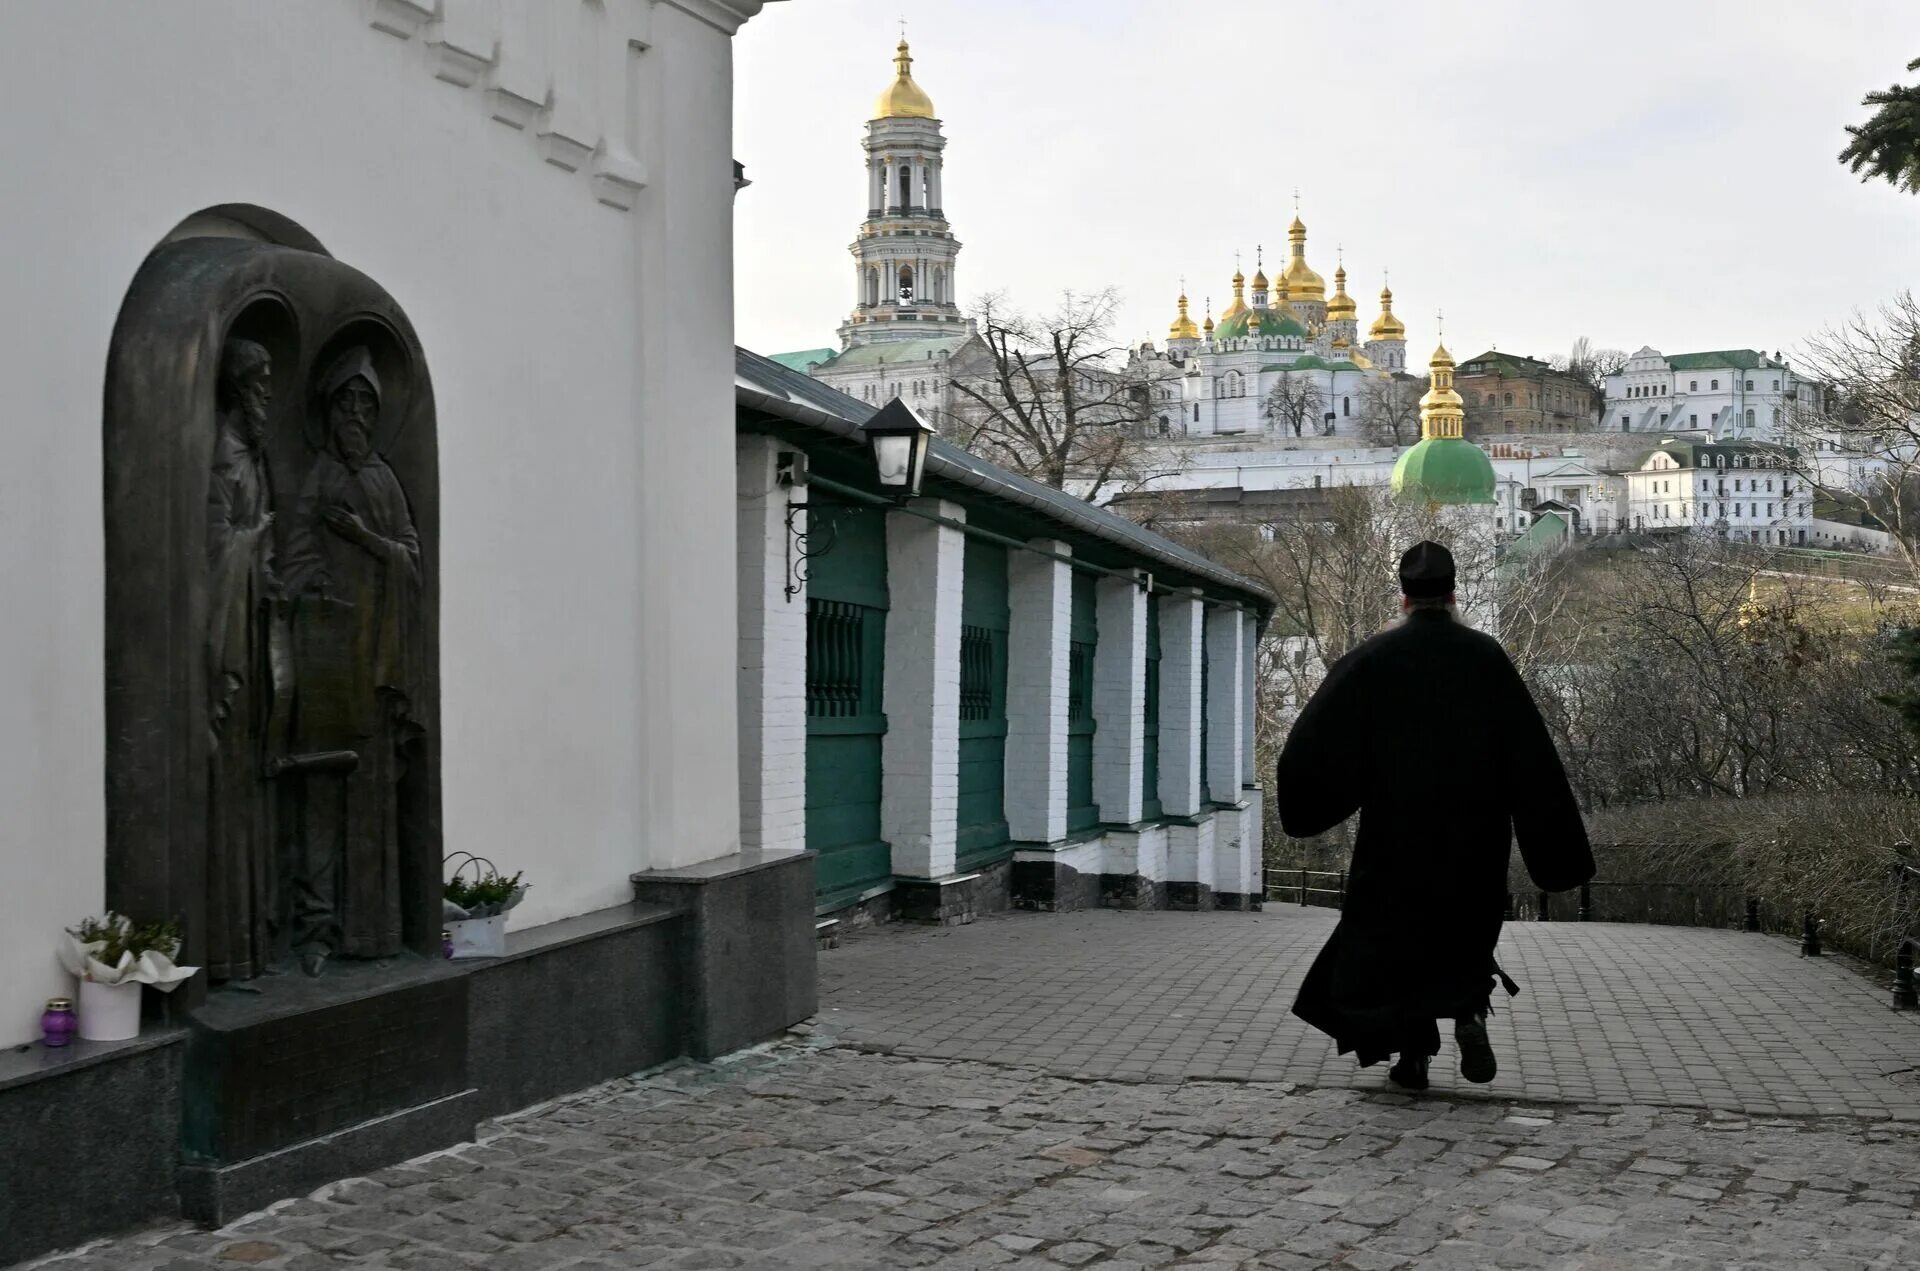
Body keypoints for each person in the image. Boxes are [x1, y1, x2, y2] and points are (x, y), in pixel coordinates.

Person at [1276, 540, 1593, 1090]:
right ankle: (1469, 1012)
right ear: (1453, 596)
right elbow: (1530, 756)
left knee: (1396, 943)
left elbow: (1313, 743)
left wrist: (1330, 795)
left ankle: (1413, 1059)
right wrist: (1554, 848)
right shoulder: (1485, 657)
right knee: (1462, 930)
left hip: (1395, 836)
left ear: (1404, 599)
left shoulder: (1372, 660)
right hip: (1475, 836)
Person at [279, 347, 424, 975]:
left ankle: (372, 928)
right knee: (320, 799)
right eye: (346, 402)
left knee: (370, 800)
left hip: (377, 663)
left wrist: (362, 537)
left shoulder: (385, 480)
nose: (356, 415)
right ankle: (315, 929)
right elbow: (292, 559)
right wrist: (315, 584)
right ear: (330, 410)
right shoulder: (318, 475)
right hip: (326, 663)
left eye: (366, 403)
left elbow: (411, 560)